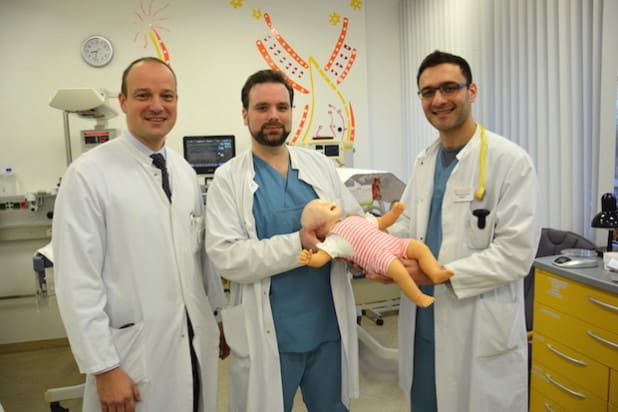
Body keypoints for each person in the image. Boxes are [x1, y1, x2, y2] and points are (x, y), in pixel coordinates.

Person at [52, 56, 228, 412]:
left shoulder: (182, 170)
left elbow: (200, 259)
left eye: (167, 95)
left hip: (194, 341)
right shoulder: (88, 175)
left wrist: (218, 317)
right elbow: (77, 282)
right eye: (143, 95)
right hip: (131, 356)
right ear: (123, 102)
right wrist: (104, 367)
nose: (157, 106)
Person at [370, 50, 540, 411]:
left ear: (472, 90)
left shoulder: (509, 161)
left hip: (477, 327)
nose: (439, 100)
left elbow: (515, 255)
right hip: (425, 325)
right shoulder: (425, 160)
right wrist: (368, 242)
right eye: (428, 92)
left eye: (450, 88)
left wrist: (438, 273)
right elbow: (407, 224)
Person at [205, 69, 363, 412]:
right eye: (262, 107)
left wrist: (367, 246)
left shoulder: (318, 165)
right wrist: (299, 244)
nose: (273, 115)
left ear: (292, 112)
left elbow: (352, 222)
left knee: (332, 406)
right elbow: (228, 257)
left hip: (327, 327)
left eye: (282, 106)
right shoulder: (228, 179)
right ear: (245, 114)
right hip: (270, 332)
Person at [298, 199, 453, 307]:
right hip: (378, 258)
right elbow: (321, 258)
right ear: (319, 228)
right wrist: (310, 258)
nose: (328, 203)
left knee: (420, 247)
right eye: (323, 207)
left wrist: (394, 213)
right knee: (400, 271)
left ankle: (435, 272)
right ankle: (418, 297)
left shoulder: (355, 218)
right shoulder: (334, 240)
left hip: (393, 242)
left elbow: (382, 222)